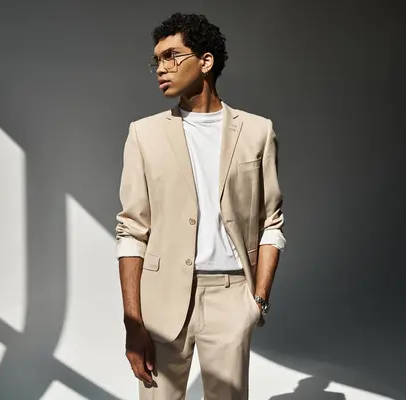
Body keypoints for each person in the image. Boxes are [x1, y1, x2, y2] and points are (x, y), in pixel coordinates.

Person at [115, 12, 286, 400]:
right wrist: (133, 322)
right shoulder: (144, 134)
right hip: (161, 302)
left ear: (205, 62)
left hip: (231, 294)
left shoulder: (258, 132)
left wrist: (256, 301)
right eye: (157, 59)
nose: (161, 67)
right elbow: (131, 231)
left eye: (172, 56)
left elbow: (271, 224)